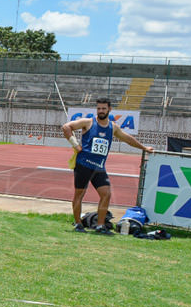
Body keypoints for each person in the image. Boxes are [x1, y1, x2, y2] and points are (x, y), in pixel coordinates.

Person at [61, 97, 153, 234]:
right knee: (79, 195)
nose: (101, 111)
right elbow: (66, 127)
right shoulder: (88, 122)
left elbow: (128, 139)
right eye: (98, 108)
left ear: (109, 109)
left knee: (106, 194)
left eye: (104, 108)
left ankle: (100, 226)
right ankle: (78, 224)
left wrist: (143, 147)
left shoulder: (113, 127)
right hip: (83, 165)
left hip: (99, 167)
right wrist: (75, 145)